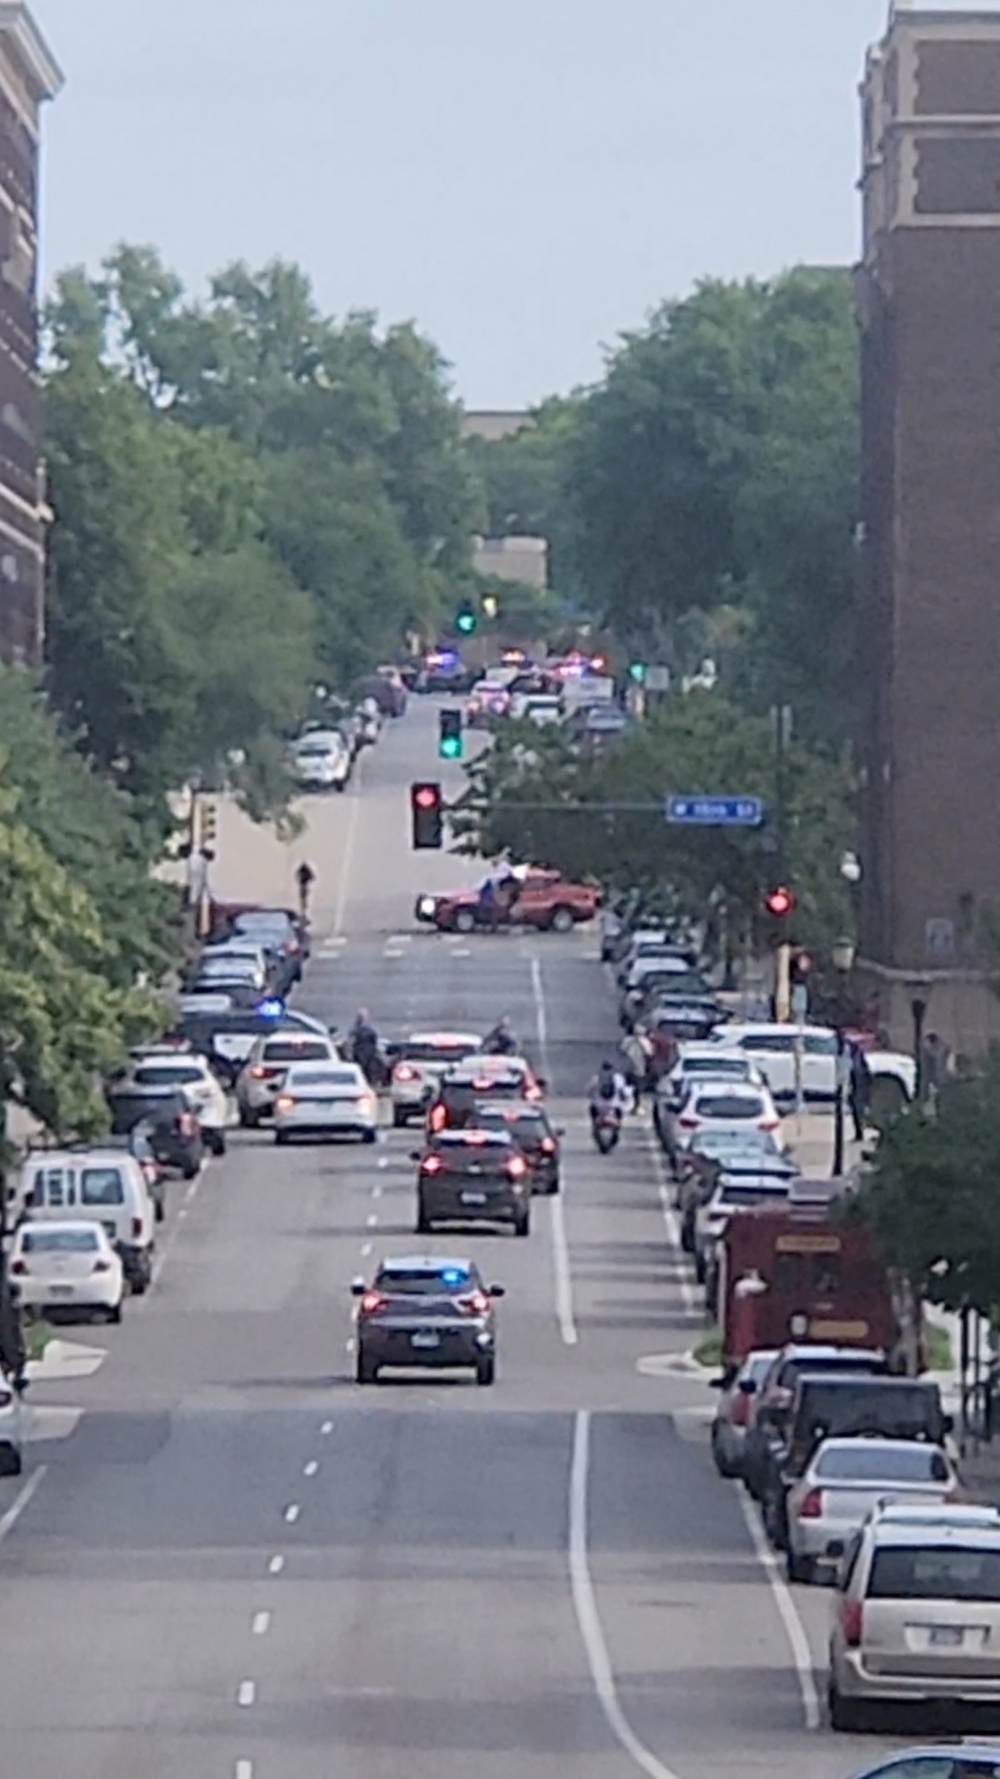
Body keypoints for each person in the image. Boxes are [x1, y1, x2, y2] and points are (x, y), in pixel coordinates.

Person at [587, 1059, 633, 1127]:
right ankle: (619, 1122)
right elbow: (623, 1091)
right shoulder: (618, 1077)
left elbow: (589, 1090)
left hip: (599, 1106)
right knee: (620, 1109)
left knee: (592, 1108)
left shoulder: (597, 1077)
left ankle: (594, 1123)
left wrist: (591, 1097)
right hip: (613, 1105)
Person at [848, 1041, 872, 1142]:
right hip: (855, 1087)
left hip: (859, 1088)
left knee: (859, 1111)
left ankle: (860, 1132)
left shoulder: (859, 1059)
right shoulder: (853, 1058)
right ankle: (858, 1133)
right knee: (856, 1111)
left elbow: (865, 1074)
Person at [349, 1008, 381, 1082]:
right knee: (362, 1068)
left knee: (367, 1068)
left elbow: (375, 1039)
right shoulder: (357, 1028)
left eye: (362, 1016)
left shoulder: (368, 1027)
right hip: (360, 1052)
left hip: (367, 1052)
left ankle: (369, 1080)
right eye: (360, 1016)